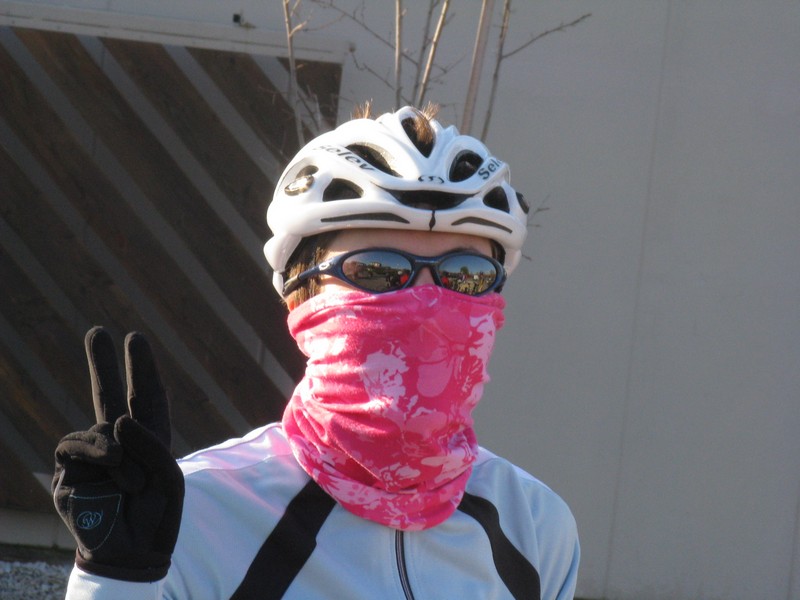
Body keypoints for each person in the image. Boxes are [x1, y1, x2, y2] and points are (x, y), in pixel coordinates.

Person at [53, 104, 580, 599]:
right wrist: (115, 581)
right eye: (377, 271)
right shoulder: (191, 518)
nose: (426, 307)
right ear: (300, 298)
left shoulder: (536, 528)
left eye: (466, 274)